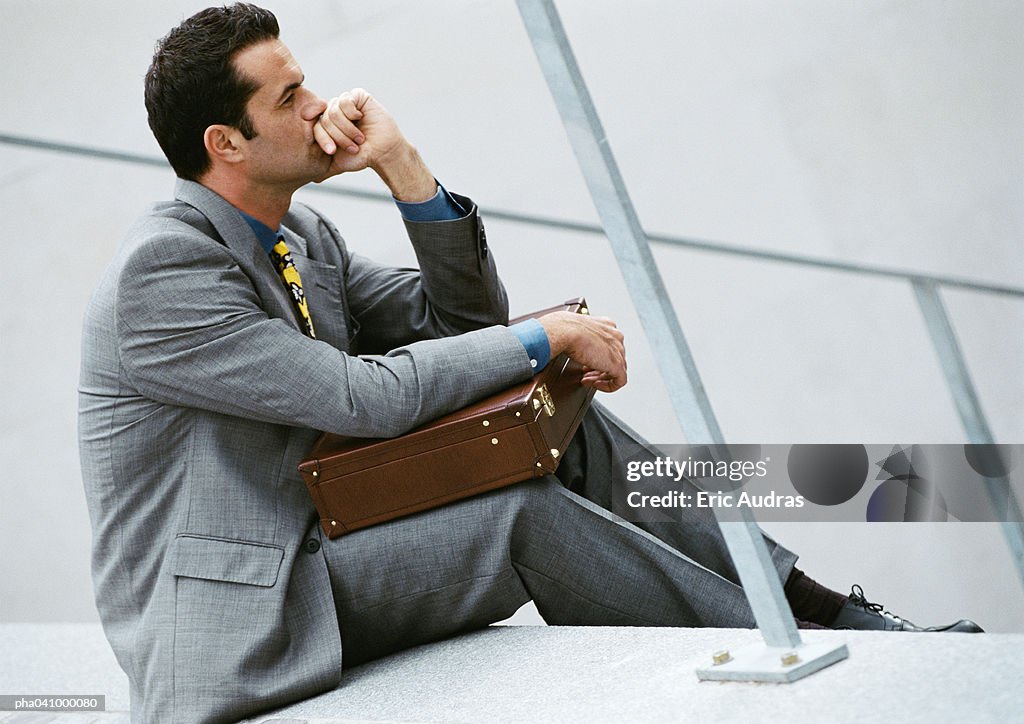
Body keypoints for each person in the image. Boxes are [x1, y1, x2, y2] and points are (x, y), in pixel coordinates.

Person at [78, 5, 981, 723]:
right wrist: (549, 332)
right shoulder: (166, 272)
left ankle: (825, 610)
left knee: (559, 414)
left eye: (306, 81)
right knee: (519, 514)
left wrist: (405, 168)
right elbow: (364, 396)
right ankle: (792, 657)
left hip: (326, 538)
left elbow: (457, 322)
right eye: (288, 98)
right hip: (243, 619)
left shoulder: (301, 231)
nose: (319, 106)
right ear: (224, 144)